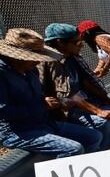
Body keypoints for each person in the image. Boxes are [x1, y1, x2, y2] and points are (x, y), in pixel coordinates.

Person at [0, 28, 102, 157]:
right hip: (18, 132)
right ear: (16, 57)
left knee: (94, 136)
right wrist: (41, 106)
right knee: (73, 149)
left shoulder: (31, 70)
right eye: (34, 58)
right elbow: (3, 111)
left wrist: (48, 101)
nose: (38, 61)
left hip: (43, 123)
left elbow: (37, 96)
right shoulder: (2, 74)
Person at [39, 23, 110, 151]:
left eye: (81, 42)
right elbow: (69, 94)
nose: (80, 46)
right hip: (66, 109)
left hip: (83, 102)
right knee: (102, 122)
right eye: (76, 43)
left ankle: (103, 150)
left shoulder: (72, 58)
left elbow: (86, 83)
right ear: (60, 43)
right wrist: (98, 111)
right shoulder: (52, 61)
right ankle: (96, 155)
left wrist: (109, 101)